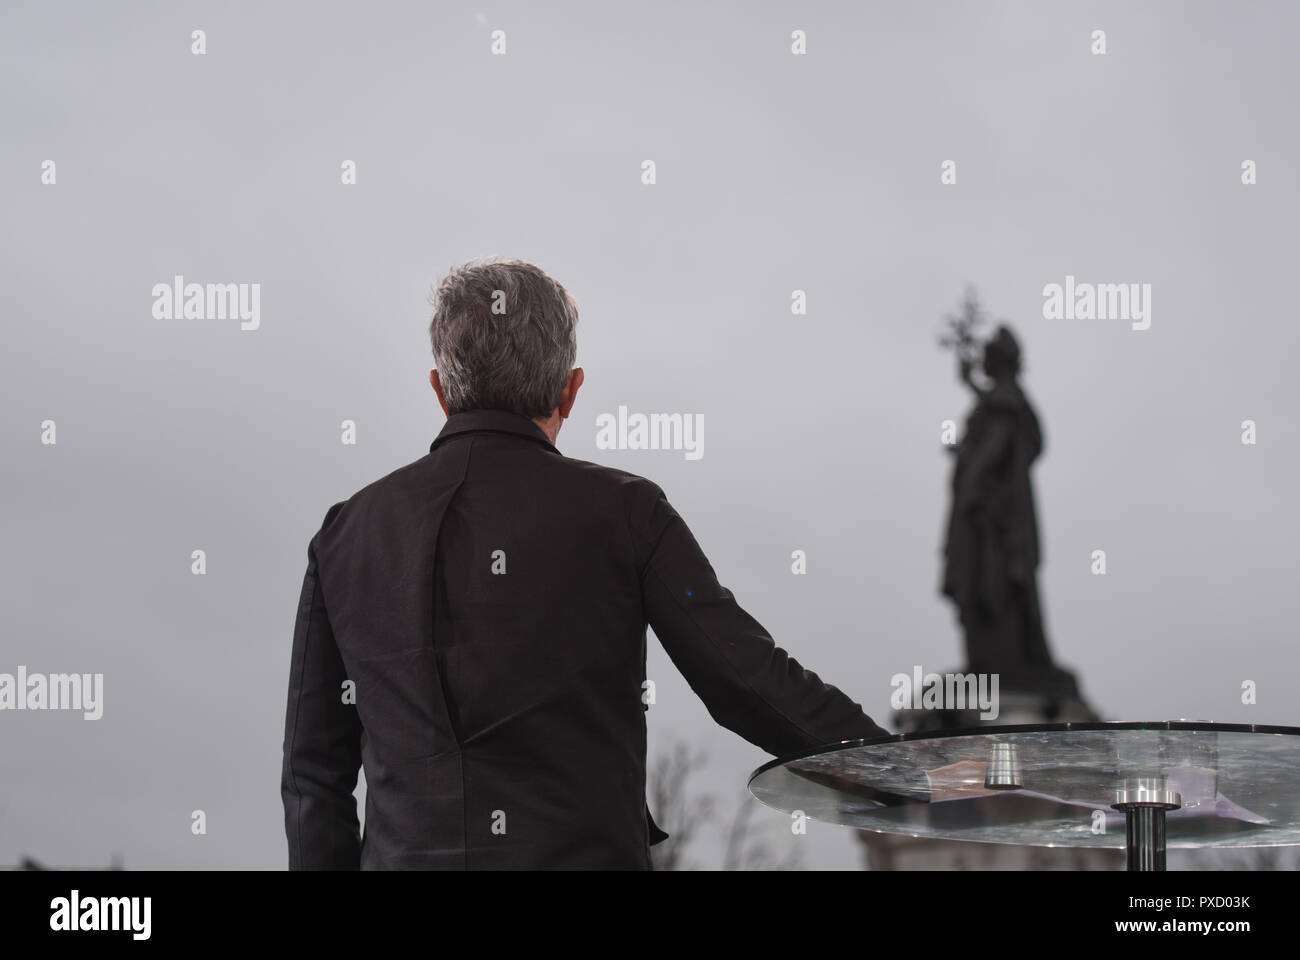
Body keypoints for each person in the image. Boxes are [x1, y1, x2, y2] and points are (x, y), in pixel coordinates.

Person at [280, 257, 891, 869]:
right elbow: (747, 683)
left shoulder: (344, 535)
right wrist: (902, 770)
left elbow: (314, 778)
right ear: (570, 391)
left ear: (440, 391)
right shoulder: (626, 511)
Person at [941, 326, 1078, 700]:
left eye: (987, 354)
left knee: (993, 581)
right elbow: (995, 417)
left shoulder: (1006, 402)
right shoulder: (1005, 399)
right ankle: (988, 662)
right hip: (990, 512)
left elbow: (996, 443)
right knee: (986, 583)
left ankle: (1000, 662)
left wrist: (973, 480)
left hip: (996, 517)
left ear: (999, 359)